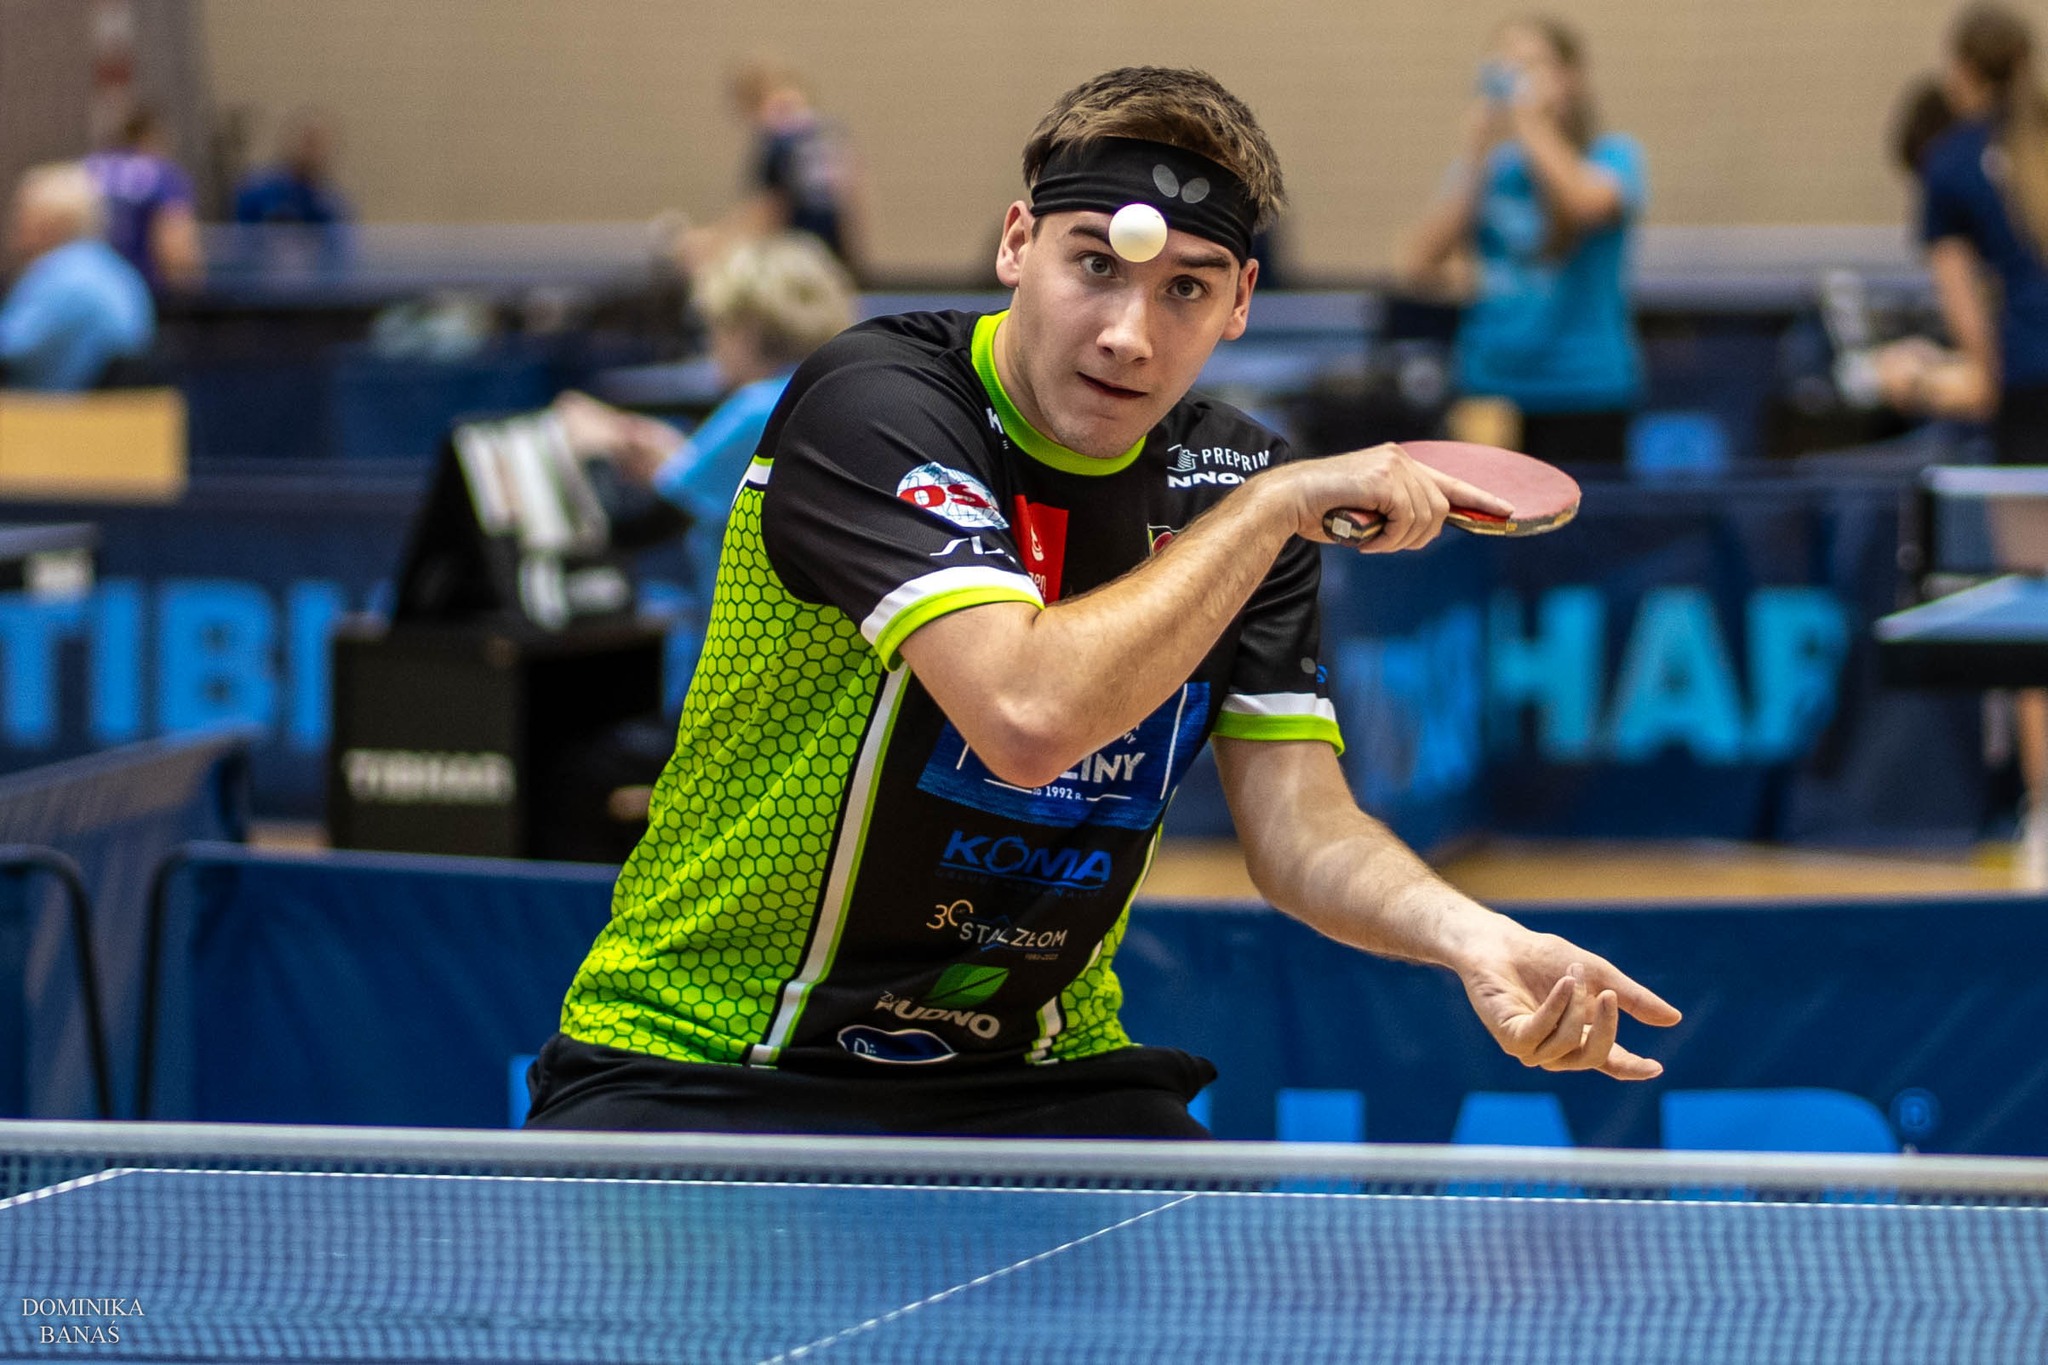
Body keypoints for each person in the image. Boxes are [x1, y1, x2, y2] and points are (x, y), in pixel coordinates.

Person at [526, 66, 1680, 1139]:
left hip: (1029, 1074)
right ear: (1015, 243)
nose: (1129, 334)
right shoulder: (876, 402)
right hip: (702, 1057)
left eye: (1186, 288)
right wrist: (1264, 513)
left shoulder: (1237, 484)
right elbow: (1024, 718)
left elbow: (1298, 827)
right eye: (1094, 265)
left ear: (1240, 302)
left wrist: (1473, 936)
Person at [1914, 4, 2048, 884]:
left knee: (2038, 612)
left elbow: (1977, 341)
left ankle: (2047, 816)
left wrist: (1938, 376)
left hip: (2032, 403)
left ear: (1963, 73)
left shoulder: (1954, 163)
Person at [1403, 17, 1647, 465]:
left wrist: (1532, 123)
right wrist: (1476, 152)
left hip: (1584, 390)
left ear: (1570, 77)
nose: (1516, 80)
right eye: (1505, 65)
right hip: (1490, 387)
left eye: (1532, 65)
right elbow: (1419, 265)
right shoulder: (1489, 170)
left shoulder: (1613, 156)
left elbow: (1587, 205)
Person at [675, 60, 865, 280]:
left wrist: (717, 242)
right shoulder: (827, 131)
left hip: (797, 259)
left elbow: (771, 209)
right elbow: (852, 194)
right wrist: (855, 261)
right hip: (830, 256)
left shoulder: (781, 140)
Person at [0, 163, 153, 391]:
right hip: (127, 408)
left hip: (55, 407)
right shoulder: (116, 269)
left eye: (22, 213)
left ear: (49, 223)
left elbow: (11, 345)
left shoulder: (60, 274)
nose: (13, 224)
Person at [83, 107, 203, 292]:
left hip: (88, 288)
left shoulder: (87, 169)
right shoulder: (162, 175)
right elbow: (176, 249)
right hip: (142, 292)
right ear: (153, 136)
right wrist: (189, 291)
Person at [231, 109, 353, 269]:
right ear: (290, 141)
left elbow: (339, 257)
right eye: (308, 140)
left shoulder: (332, 204)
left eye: (320, 144)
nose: (313, 151)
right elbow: (239, 247)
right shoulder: (256, 192)